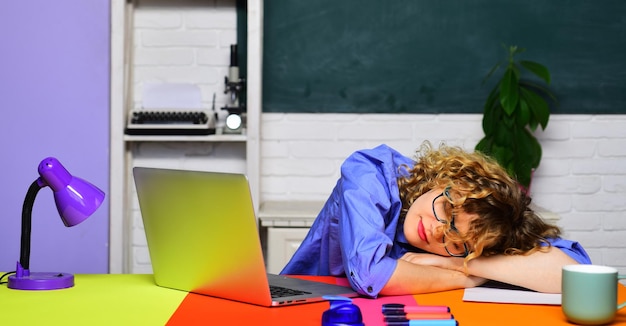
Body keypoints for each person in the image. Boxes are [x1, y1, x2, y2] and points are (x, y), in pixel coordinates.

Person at [280, 142, 591, 298]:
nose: (434, 231)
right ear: (445, 179)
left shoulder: (468, 247)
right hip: (307, 306)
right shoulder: (372, 172)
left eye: (454, 243)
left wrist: (461, 263)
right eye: (446, 212)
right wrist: (465, 279)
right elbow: (370, 273)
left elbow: (575, 275)